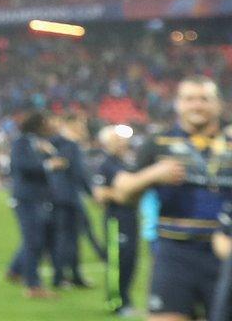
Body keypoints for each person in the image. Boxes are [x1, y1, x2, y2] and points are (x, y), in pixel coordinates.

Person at [114, 77, 232, 321]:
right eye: (189, 99)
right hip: (175, 253)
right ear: (178, 104)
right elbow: (123, 192)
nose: (196, 105)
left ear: (218, 104)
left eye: (204, 99)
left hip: (226, 254)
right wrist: (152, 174)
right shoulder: (158, 142)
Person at [8, 110, 64, 299]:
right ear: (38, 124)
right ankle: (33, 285)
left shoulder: (37, 143)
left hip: (36, 198)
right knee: (34, 241)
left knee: (34, 238)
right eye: (46, 122)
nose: (50, 126)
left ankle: (15, 270)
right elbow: (22, 166)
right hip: (27, 198)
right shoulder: (22, 142)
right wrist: (49, 165)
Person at [93, 124, 142, 317]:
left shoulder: (127, 163)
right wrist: (121, 193)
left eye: (123, 140)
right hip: (115, 218)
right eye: (117, 140)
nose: (122, 143)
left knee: (130, 260)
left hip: (131, 216)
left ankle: (126, 299)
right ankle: (115, 302)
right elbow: (99, 194)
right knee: (117, 262)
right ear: (108, 143)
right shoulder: (105, 164)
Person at [52, 114, 93, 290]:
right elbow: (76, 174)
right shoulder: (61, 144)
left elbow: (79, 174)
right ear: (71, 124)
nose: (84, 128)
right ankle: (59, 277)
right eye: (81, 123)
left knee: (73, 239)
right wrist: (92, 193)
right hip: (63, 198)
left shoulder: (70, 145)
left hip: (72, 198)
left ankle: (75, 276)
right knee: (63, 239)